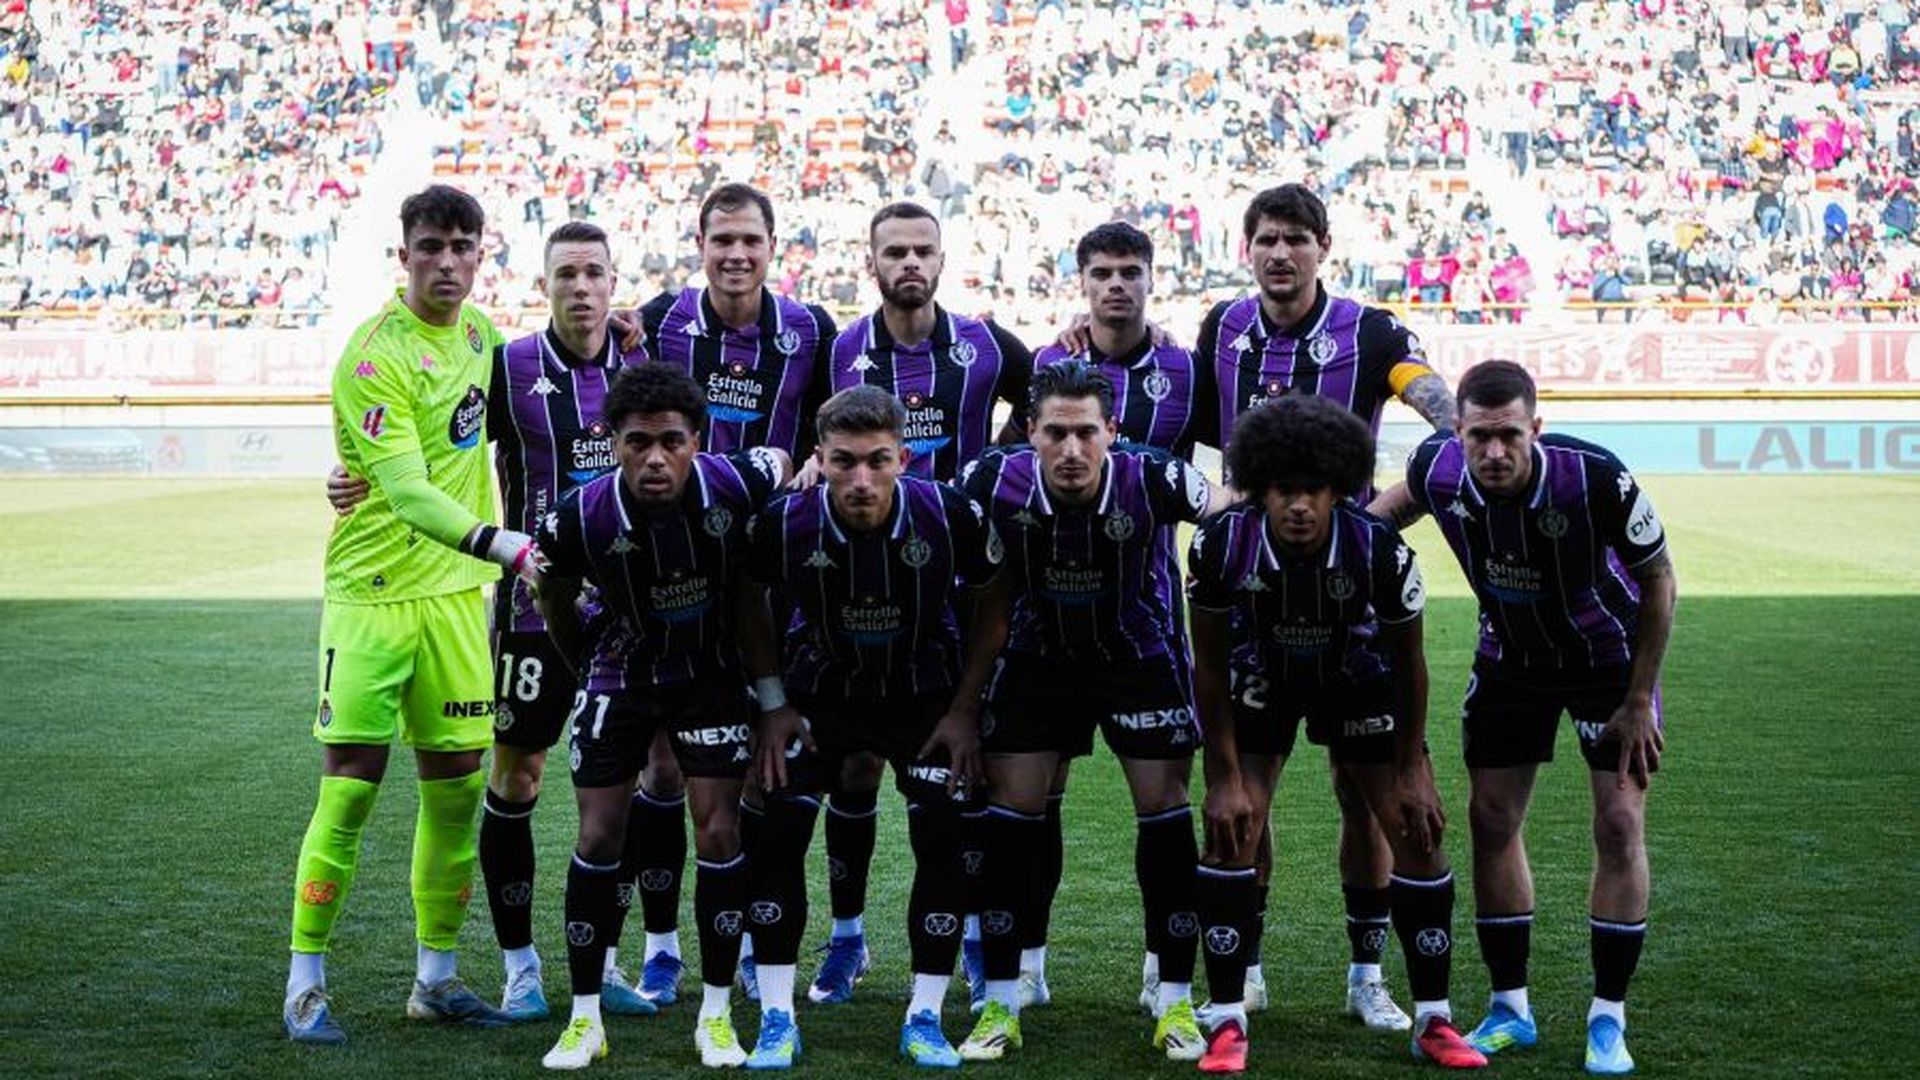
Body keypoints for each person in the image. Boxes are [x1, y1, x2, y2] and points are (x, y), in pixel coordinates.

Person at [326, 222, 690, 1019]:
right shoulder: (508, 364)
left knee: (616, 791)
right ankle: (520, 969)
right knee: (516, 776)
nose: (583, 287)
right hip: (531, 610)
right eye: (567, 273)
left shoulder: (643, 361)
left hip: (627, 616)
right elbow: (438, 440)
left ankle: (613, 962)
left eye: (596, 273)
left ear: (612, 281)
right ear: (545, 283)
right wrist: (351, 471)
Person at [1190, 182, 1459, 1026]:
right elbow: (1190, 422)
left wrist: (1450, 434)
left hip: (1351, 599)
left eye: (1297, 239)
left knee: (1362, 791)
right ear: (1248, 248)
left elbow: (1427, 395)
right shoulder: (1221, 330)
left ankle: (1365, 976)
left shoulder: (1370, 331)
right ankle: (1249, 971)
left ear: (1323, 248)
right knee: (1247, 791)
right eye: (1267, 238)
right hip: (1258, 588)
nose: (1281, 253)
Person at [1371, 360, 1676, 1077]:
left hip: (1608, 661)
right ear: (1459, 430)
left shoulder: (1592, 476)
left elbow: (1660, 577)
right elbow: (1376, 519)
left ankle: (1608, 1018)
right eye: (1480, 436)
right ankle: (1511, 1008)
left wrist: (1638, 700)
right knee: (1492, 821)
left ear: (1535, 428)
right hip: (1509, 659)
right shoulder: (1437, 468)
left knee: (1620, 823)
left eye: (1510, 435)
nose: (1495, 452)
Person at [283, 184, 532, 1044]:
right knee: (348, 793)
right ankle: (305, 982)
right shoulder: (371, 357)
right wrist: (508, 547)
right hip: (374, 602)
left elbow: (530, 405)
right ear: (406, 255)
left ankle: (435, 978)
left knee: (458, 795)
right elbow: (409, 492)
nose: (450, 262)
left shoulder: (480, 334)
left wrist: (611, 335)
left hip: (457, 606)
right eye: (433, 246)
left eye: (465, 246)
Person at [1186, 395, 1487, 1074]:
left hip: (1358, 674)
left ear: (1339, 489)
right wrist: (1225, 777)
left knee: (1415, 829)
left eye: (1313, 491)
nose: (1298, 506)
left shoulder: (1380, 549)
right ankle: (1230, 1017)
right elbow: (1206, 665)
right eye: (1284, 491)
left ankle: (1433, 1019)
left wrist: (1412, 768)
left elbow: (1410, 667)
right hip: (1257, 674)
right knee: (1233, 826)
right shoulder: (1220, 543)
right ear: (1261, 488)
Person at [957, 361, 1235, 1063]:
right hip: (1034, 660)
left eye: (1087, 432)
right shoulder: (991, 480)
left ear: (1114, 431)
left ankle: (1172, 1000)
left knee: (1164, 816)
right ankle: (1002, 997)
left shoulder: (1156, 476)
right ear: (1031, 434)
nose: (1073, 450)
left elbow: (1229, 513)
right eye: (1056, 433)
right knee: (1012, 822)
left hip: (1138, 660)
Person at [734, 385, 1009, 1067]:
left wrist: (964, 710)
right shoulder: (783, 522)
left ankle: (923, 1015)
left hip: (923, 700)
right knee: (778, 832)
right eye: (844, 462)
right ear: (819, 459)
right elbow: (744, 601)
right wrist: (771, 704)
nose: (860, 480)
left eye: (877, 462)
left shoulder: (951, 515)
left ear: (904, 459)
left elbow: (995, 604)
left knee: (944, 836)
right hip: (817, 695)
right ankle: (776, 1016)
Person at [803, 199, 1034, 1007]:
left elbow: (1038, 398)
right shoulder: (838, 351)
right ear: (872, 263)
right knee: (856, 766)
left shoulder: (983, 345)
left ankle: (968, 939)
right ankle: (846, 939)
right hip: (863, 579)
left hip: (958, 581)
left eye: (922, 251)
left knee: (963, 764)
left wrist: (997, 461)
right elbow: (815, 437)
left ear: (943, 259)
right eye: (894, 251)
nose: (910, 263)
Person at [531, 363, 791, 1069]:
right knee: (599, 834)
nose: (655, 458)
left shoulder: (735, 485)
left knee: (719, 828)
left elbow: (783, 459)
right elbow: (548, 588)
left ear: (697, 441)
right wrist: (582, 659)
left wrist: (769, 699)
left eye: (672, 442)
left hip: (708, 674)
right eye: (638, 441)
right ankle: (585, 1018)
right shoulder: (577, 516)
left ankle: (714, 1015)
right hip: (621, 670)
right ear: (610, 441)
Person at [636, 183, 847, 1002]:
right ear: (700, 244)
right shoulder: (657, 322)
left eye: (750, 240)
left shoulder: (811, 331)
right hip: (674, 568)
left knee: (767, 766)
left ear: (772, 246)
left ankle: (766, 946)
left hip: (773, 573)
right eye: (721, 239)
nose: (736, 253)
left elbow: (834, 423)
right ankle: (660, 946)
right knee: (661, 767)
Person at [1026, 220, 1202, 1007]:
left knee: (1164, 806)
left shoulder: (1185, 371)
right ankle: (1024, 968)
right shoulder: (1048, 365)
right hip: (1047, 629)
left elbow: (1210, 485)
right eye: (1103, 272)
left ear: (1151, 279)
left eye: (1131, 271)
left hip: (1147, 619)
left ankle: (1165, 973)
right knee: (1035, 800)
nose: (1117, 285)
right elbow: (1009, 466)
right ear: (1083, 281)